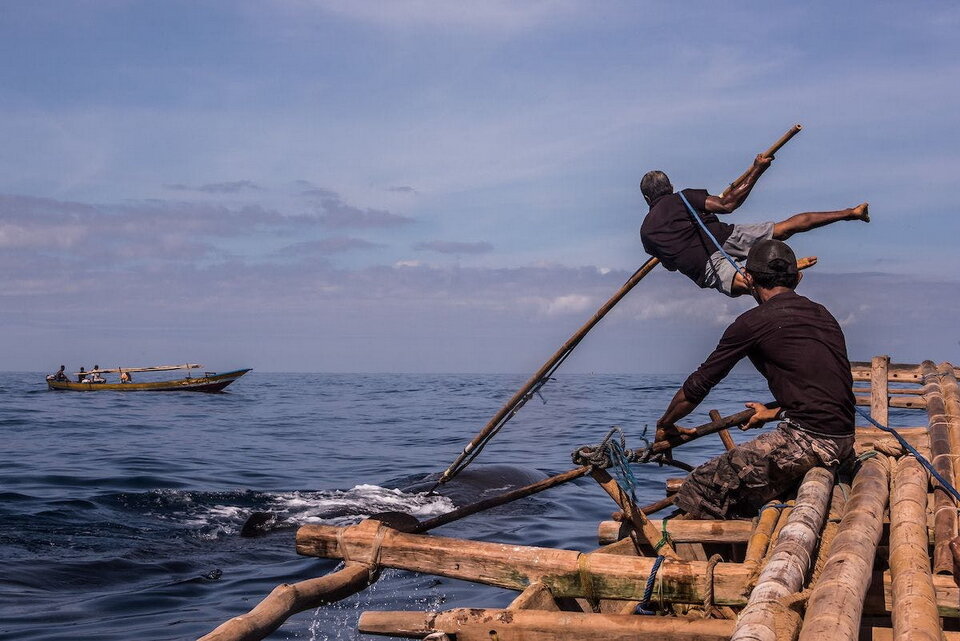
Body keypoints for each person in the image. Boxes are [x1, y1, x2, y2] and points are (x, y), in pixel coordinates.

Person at [654, 239, 855, 519]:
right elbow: (826, 392)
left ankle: (719, 552)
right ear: (798, 277)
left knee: (699, 486)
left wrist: (666, 423)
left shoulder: (752, 323)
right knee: (738, 480)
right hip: (845, 437)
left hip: (810, 441)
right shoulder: (824, 315)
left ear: (748, 278)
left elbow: (700, 383)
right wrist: (773, 412)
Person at [639, 156, 869, 297]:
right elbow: (727, 204)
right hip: (725, 236)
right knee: (784, 228)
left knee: (745, 284)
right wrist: (758, 168)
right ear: (670, 187)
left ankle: (781, 274)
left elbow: (670, 265)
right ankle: (850, 213)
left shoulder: (647, 233)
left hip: (702, 262)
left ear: (647, 199)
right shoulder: (684, 197)